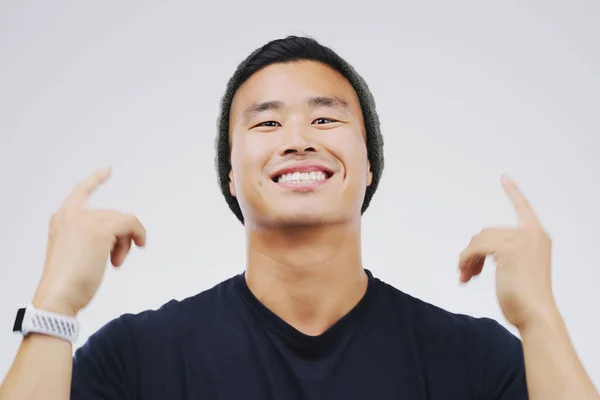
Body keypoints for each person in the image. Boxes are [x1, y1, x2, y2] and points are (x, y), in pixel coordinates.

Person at [0, 36, 597, 400]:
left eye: (325, 119)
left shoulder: (476, 360)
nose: (296, 139)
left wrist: (539, 319)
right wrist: (55, 302)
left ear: (368, 166)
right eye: (265, 123)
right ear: (231, 177)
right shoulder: (136, 357)